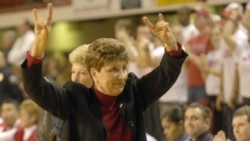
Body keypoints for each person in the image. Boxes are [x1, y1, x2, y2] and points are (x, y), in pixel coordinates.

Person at [21, 3, 187, 141]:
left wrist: (171, 45)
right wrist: (38, 47)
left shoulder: (133, 92)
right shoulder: (73, 100)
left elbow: (166, 75)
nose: (121, 75)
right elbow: (35, 87)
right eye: (113, 70)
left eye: (123, 68)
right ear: (94, 73)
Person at [36, 44, 93, 141]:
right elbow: (44, 135)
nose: (75, 78)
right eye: (73, 72)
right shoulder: (64, 99)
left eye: (82, 73)